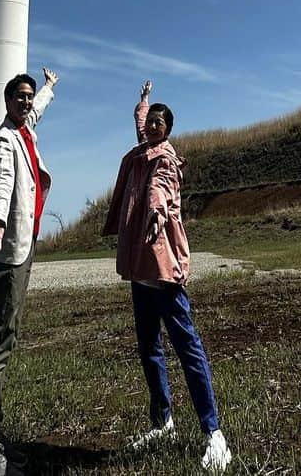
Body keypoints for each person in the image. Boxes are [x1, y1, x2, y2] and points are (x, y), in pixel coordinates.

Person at [102, 80, 231, 472]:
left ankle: (214, 434)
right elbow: (140, 119)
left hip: (163, 268)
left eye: (160, 123)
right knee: (149, 348)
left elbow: (162, 190)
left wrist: (157, 211)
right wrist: (142, 102)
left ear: (168, 131)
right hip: (141, 269)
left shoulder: (165, 161)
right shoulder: (141, 151)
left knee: (187, 346)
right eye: (150, 121)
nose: (153, 126)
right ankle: (163, 422)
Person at [0, 66, 59, 476]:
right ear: (5, 101)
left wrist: (49, 89)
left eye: (28, 95)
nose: (25, 100)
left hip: (24, 245)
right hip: (10, 248)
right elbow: (2, 182)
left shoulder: (23, 127)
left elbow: (35, 111)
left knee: (7, 337)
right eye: (18, 95)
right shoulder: (4, 139)